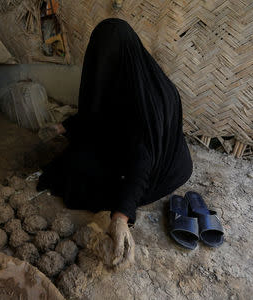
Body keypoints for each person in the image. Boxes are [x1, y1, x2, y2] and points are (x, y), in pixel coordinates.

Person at [37, 18, 193, 267]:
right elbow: (98, 113)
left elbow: (143, 158)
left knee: (83, 179)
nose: (101, 65)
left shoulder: (151, 97)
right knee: (75, 160)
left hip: (161, 166)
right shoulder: (123, 74)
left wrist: (121, 217)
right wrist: (63, 127)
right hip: (132, 147)